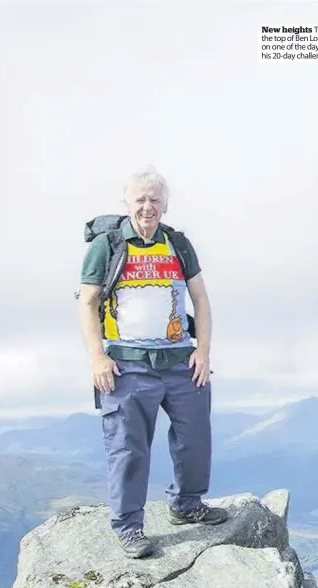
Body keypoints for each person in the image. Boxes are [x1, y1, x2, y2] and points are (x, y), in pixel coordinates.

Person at [78, 167, 227, 558]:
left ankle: (187, 503)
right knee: (128, 448)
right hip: (127, 365)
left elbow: (202, 300)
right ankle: (128, 527)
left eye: (154, 200)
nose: (147, 206)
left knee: (195, 437)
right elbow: (88, 303)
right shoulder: (107, 246)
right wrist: (97, 357)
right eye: (140, 199)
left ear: (165, 204)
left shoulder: (177, 244)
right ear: (127, 203)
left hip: (180, 359)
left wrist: (203, 351)